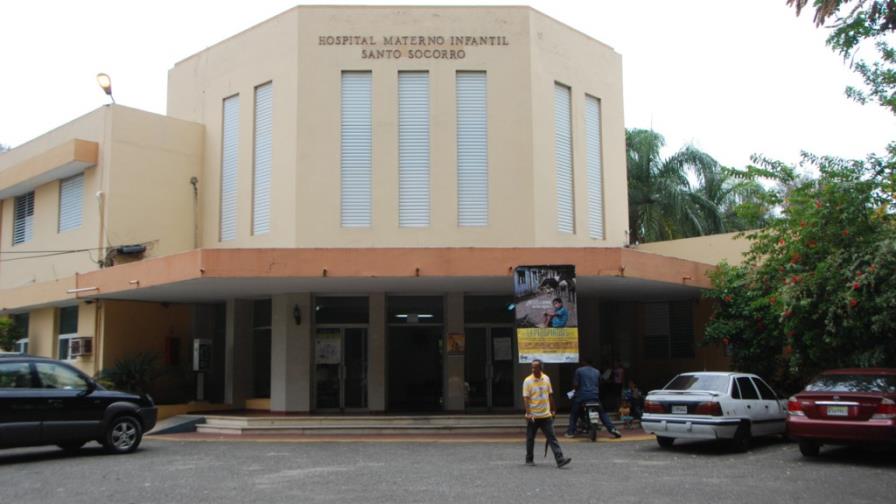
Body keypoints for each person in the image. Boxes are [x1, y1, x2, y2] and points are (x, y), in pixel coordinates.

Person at [523, 359, 571, 468]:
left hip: (546, 415)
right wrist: (528, 413)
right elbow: (525, 398)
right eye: (532, 367)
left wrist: (553, 410)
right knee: (530, 438)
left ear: (541, 368)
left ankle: (560, 459)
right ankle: (529, 459)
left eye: (535, 367)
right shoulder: (527, 381)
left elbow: (550, 395)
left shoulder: (546, 379)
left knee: (552, 438)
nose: (533, 369)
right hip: (533, 416)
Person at [565, 358, 622, 439]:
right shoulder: (597, 371)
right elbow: (599, 384)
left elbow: (575, 384)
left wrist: (575, 391)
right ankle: (612, 428)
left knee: (574, 413)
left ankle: (571, 432)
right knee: (602, 413)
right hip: (594, 396)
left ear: (584, 362)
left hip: (582, 396)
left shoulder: (579, 370)